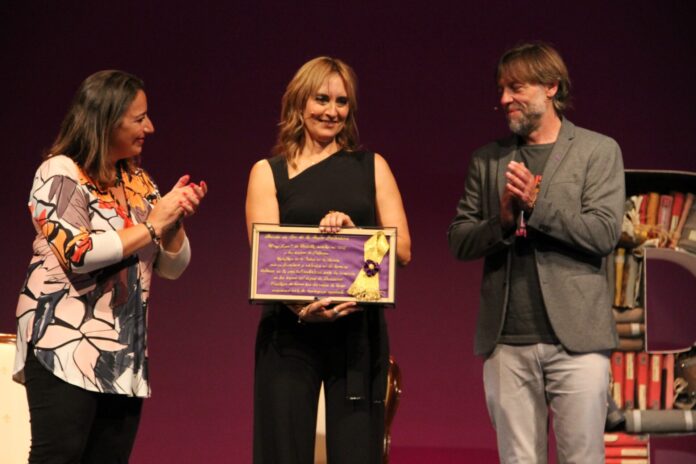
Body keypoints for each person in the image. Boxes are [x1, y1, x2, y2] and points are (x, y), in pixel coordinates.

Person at [13, 70, 208, 463]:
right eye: (139, 118)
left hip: (122, 351)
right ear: (105, 119)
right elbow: (79, 252)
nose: (149, 128)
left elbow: (173, 267)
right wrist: (152, 224)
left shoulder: (137, 180)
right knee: (60, 455)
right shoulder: (59, 172)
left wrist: (175, 218)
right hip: (63, 342)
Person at [447, 42, 625, 463]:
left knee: (582, 457)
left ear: (551, 87)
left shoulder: (597, 152)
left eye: (516, 88)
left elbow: (602, 233)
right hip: (507, 341)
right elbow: (459, 239)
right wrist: (505, 222)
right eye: (501, 89)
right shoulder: (487, 160)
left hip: (577, 341)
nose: (504, 99)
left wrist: (537, 206)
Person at [245, 56, 411, 464]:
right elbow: (266, 259)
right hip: (289, 330)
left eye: (342, 102)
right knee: (283, 451)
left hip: (357, 335)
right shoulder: (269, 172)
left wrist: (355, 236)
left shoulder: (373, 167)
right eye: (322, 99)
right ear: (300, 103)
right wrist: (303, 309)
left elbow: (402, 249)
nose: (332, 111)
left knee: (357, 452)